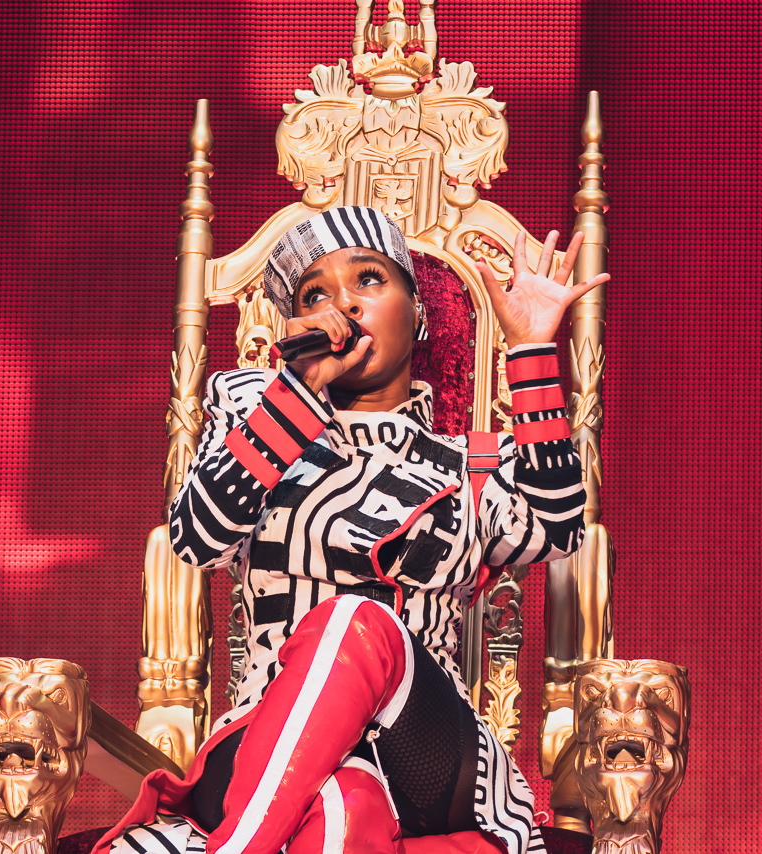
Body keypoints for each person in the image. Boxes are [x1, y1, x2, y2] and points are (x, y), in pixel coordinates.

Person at [94, 207, 607, 854]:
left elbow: (558, 527)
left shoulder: (473, 464)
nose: (343, 304)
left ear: (417, 314)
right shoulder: (253, 414)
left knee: (354, 621)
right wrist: (298, 391)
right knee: (344, 803)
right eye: (316, 295)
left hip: (420, 753)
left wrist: (531, 349)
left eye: (368, 279)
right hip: (264, 742)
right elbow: (197, 538)